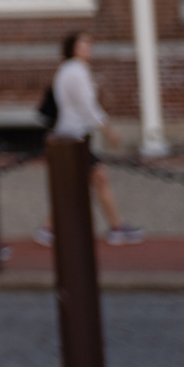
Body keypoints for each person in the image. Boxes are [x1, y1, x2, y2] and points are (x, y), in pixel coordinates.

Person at [36, 32, 145, 247]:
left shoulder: (66, 70)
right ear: (73, 48)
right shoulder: (77, 71)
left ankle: (50, 227)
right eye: (83, 44)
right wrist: (109, 130)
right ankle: (116, 227)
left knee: (78, 184)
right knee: (98, 178)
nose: (88, 48)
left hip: (69, 134)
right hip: (75, 136)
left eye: (89, 44)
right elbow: (89, 107)